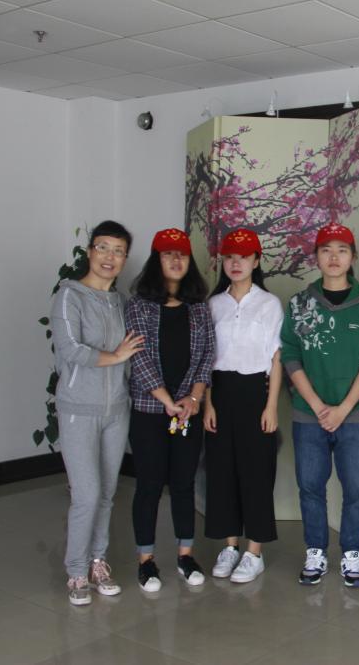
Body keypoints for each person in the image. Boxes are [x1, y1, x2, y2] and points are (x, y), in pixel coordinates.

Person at [280, 221, 359, 588]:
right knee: (310, 485)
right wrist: (317, 404)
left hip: (357, 414)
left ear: (353, 257)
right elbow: (290, 354)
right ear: (316, 257)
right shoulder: (300, 303)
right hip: (309, 414)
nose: (334, 257)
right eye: (326, 250)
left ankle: (351, 552)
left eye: (342, 250)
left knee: (356, 489)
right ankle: (316, 551)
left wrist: (342, 409)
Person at [50, 220, 142, 606]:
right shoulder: (69, 296)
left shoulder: (122, 302)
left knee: (106, 492)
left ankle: (97, 562)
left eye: (118, 251)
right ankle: (75, 571)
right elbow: (71, 349)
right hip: (78, 410)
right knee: (86, 494)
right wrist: (117, 356)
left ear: (124, 259)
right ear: (90, 252)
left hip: (116, 410)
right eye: (103, 248)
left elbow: (137, 351)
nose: (109, 257)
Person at [125, 228, 215, 592]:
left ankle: (185, 555)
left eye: (182, 254)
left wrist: (193, 399)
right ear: (156, 260)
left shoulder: (199, 307)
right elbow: (139, 359)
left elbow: (208, 355)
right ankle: (146, 561)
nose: (176, 260)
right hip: (150, 410)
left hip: (188, 411)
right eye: (168, 254)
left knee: (183, 483)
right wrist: (168, 402)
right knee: (149, 484)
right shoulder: (138, 305)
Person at [203, 228, 283, 583]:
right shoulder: (213, 304)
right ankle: (230, 546)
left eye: (244, 256)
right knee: (222, 472)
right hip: (220, 392)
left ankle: (254, 552)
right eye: (230, 257)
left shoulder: (269, 304)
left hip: (255, 393)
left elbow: (276, 358)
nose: (236, 263)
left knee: (256, 472)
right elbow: (206, 359)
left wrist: (271, 406)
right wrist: (208, 404)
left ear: (256, 260)